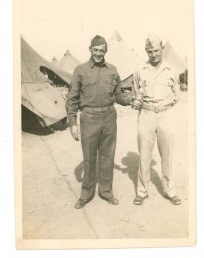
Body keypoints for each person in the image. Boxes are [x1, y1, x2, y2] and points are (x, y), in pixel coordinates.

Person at [65, 35, 131, 209]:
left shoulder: (113, 70)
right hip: (89, 118)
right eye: (95, 50)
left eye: (102, 50)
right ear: (90, 49)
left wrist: (130, 99)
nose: (98, 54)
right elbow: (71, 98)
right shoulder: (80, 70)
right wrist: (73, 123)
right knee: (89, 158)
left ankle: (106, 192)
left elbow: (118, 95)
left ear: (106, 51)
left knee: (108, 156)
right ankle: (86, 194)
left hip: (109, 118)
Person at [132, 34, 182, 205]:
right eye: (149, 51)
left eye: (156, 50)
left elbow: (176, 95)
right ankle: (142, 191)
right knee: (144, 155)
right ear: (146, 52)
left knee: (167, 155)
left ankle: (169, 190)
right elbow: (136, 93)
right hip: (146, 115)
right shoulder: (140, 71)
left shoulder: (172, 70)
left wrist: (164, 108)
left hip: (165, 115)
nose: (153, 54)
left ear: (162, 48)